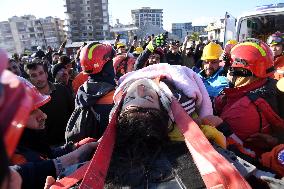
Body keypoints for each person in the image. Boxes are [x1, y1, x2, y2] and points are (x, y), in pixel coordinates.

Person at [0, 49, 97, 189]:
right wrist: (76, 154)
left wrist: (74, 147)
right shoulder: (15, 161)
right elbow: (41, 167)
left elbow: (47, 154)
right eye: (31, 112)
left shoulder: (27, 142)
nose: (43, 116)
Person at [214, 39, 284, 177]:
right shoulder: (273, 86)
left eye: (231, 68)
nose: (228, 72)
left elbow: (225, 147)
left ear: (242, 71)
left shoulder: (238, 112)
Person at [65, 42, 116, 143]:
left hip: (86, 151)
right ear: (106, 66)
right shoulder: (113, 95)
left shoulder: (82, 90)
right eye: (111, 62)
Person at [25, 60, 74, 146]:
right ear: (29, 79)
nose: (39, 78)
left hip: (70, 141)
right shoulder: (29, 101)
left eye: (41, 73)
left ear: (46, 74)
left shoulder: (61, 89)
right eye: (34, 76)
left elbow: (74, 111)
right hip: (48, 148)